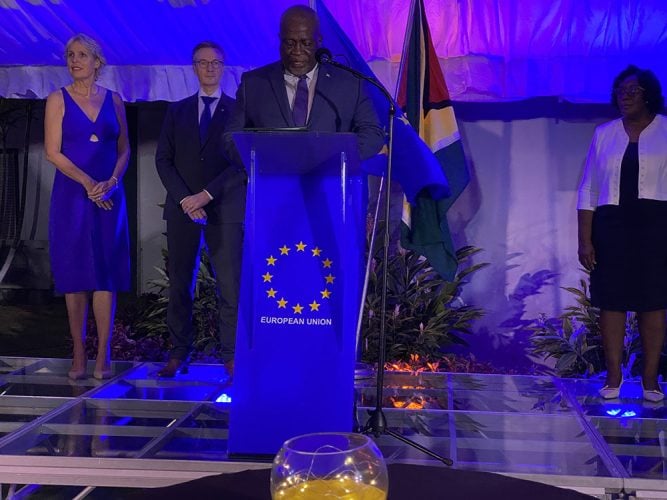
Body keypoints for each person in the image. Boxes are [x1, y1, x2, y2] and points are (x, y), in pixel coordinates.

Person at [577, 65, 667, 402]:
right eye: (620, 90)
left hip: (656, 224)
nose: (625, 96)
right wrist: (585, 239)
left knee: (653, 302)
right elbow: (588, 188)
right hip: (611, 225)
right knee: (611, 301)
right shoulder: (604, 133)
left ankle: (650, 379)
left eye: (633, 90)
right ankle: (613, 376)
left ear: (648, 94)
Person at [155, 41, 245, 378]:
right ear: (193, 67)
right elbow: (162, 159)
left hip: (225, 208)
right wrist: (185, 199)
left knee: (229, 286)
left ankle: (232, 357)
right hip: (182, 210)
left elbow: (240, 164)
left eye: (215, 63)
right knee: (180, 283)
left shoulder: (238, 112)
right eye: (202, 63)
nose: (209, 68)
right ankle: (179, 353)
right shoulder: (176, 111)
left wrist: (206, 195)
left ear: (224, 68)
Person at [44, 34, 130, 380]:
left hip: (109, 196)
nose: (75, 60)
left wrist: (111, 181)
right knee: (75, 273)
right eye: (70, 55)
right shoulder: (57, 99)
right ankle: (79, 351)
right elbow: (53, 151)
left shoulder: (115, 100)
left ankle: (103, 353)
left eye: (82, 55)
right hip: (72, 194)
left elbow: (124, 148)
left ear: (97, 61)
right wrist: (87, 183)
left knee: (105, 273)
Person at [224, 5, 384, 161]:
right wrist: (261, 159)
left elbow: (372, 134)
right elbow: (229, 139)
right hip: (272, 183)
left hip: (329, 184)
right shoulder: (254, 84)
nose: (297, 51)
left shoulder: (349, 84)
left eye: (306, 43)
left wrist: (338, 158)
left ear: (319, 41)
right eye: (290, 43)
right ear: (280, 40)